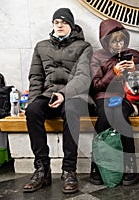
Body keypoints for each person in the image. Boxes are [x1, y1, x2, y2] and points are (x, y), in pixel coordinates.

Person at [23, 8, 93, 194]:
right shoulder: (41, 46)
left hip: (74, 96)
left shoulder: (84, 47)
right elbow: (36, 78)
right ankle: (42, 169)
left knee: (71, 109)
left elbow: (83, 77)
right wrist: (32, 101)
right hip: (48, 95)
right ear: (53, 25)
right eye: (56, 22)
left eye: (64, 22)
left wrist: (63, 94)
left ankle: (69, 170)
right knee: (32, 111)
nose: (60, 25)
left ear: (71, 24)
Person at [90, 19, 139, 186]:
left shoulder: (134, 55)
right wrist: (114, 72)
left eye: (121, 40)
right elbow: (96, 85)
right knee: (105, 116)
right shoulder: (98, 56)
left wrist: (135, 71)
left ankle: (129, 165)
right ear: (106, 41)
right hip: (103, 97)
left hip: (126, 98)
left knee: (120, 115)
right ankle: (97, 165)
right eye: (114, 41)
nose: (119, 45)